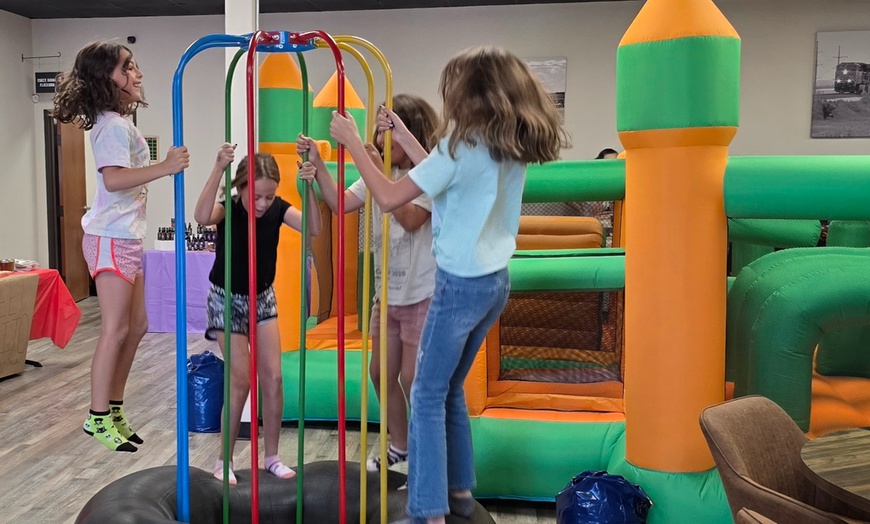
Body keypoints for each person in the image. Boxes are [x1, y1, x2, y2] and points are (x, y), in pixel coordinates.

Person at [330, 46, 569, 524]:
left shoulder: (459, 146)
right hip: (494, 284)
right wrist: (401, 135)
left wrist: (354, 142)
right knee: (450, 388)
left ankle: (427, 512)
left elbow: (392, 193)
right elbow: (441, 176)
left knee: (424, 395)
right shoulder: (503, 145)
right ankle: (458, 493)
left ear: (467, 94)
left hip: (458, 288)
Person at [52, 41, 190, 453]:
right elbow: (112, 180)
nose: (137, 73)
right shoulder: (110, 126)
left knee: (138, 326)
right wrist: (165, 168)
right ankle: (97, 417)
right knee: (115, 329)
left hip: (126, 237)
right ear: (106, 79)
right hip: (110, 238)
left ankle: (114, 408)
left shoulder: (120, 123)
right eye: (128, 67)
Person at [296, 94, 439, 475]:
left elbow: (409, 218)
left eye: (383, 132)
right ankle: (400, 445)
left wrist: (364, 159)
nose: (376, 142)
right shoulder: (377, 171)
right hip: (386, 295)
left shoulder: (426, 174)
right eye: (375, 134)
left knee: (412, 378)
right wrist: (319, 167)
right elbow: (340, 202)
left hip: (422, 293)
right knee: (380, 373)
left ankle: (425, 455)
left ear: (406, 134)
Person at [194, 145, 321, 484]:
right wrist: (217, 167)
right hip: (225, 299)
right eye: (257, 196)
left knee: (274, 378)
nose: (263, 204)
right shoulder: (228, 209)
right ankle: (224, 460)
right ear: (242, 187)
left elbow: (314, 228)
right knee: (240, 379)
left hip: (263, 297)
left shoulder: (277, 209)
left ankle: (273, 457)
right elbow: (201, 216)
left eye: (270, 196)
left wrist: (308, 188)